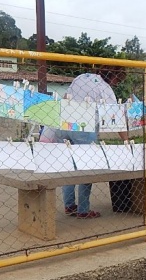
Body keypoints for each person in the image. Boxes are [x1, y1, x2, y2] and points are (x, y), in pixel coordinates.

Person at [46, 67, 128, 219]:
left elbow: (65, 97)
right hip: (84, 127)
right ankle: (83, 209)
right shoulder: (106, 89)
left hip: (64, 123)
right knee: (87, 167)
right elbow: (116, 119)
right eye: (118, 80)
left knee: (68, 166)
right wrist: (126, 140)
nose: (117, 83)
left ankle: (69, 205)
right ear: (114, 77)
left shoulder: (82, 77)